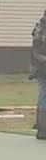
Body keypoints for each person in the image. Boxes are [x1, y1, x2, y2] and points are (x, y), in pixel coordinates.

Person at [33, 11, 46, 139]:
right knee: (44, 98)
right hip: (43, 68)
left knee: (43, 97)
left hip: (39, 68)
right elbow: (39, 52)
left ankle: (41, 128)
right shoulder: (43, 30)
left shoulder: (39, 28)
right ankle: (42, 129)